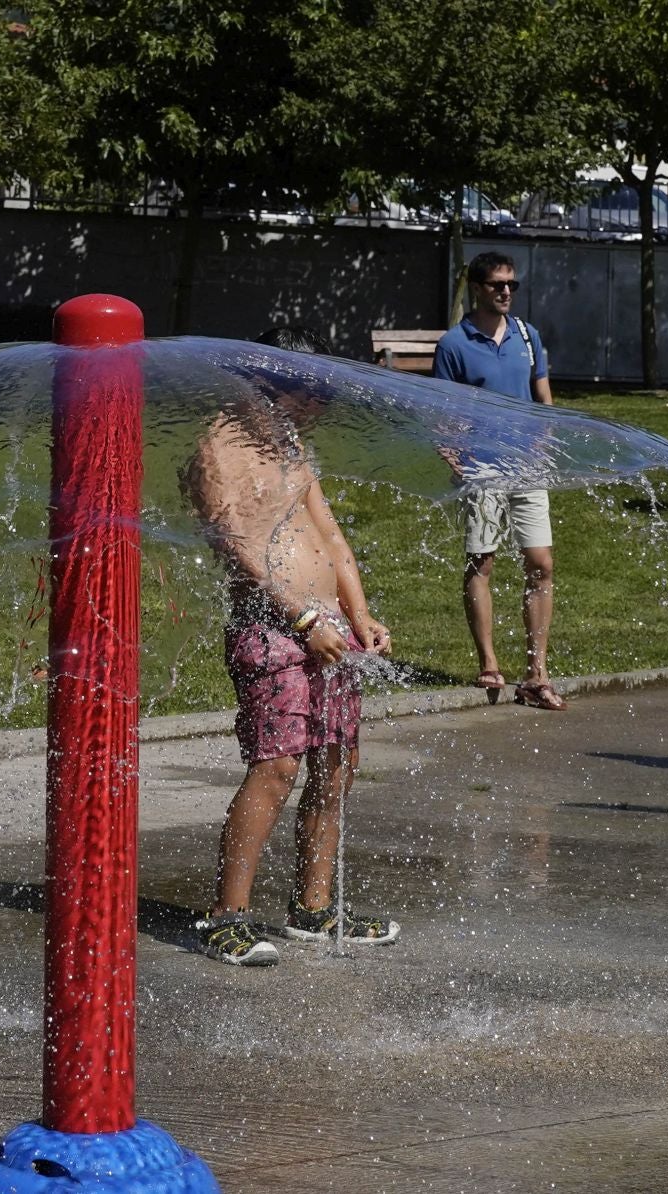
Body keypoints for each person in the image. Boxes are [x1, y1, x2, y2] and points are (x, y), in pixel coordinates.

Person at [177, 332, 399, 966]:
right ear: (271, 383)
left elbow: (329, 533)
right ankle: (227, 915)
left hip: (329, 627)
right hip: (272, 625)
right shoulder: (218, 447)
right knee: (276, 769)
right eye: (314, 394)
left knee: (336, 765)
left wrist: (360, 615)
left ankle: (314, 906)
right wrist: (303, 617)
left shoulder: (287, 445)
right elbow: (235, 544)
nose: (321, 407)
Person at [433, 251, 565, 711]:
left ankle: (537, 672)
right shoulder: (454, 344)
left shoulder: (528, 336)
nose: (506, 291)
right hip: (482, 467)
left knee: (541, 563)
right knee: (482, 562)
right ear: (477, 288)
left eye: (511, 284)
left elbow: (542, 395)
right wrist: (454, 458)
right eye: (496, 285)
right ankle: (489, 662)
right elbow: (444, 411)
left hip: (527, 464)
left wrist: (547, 440)